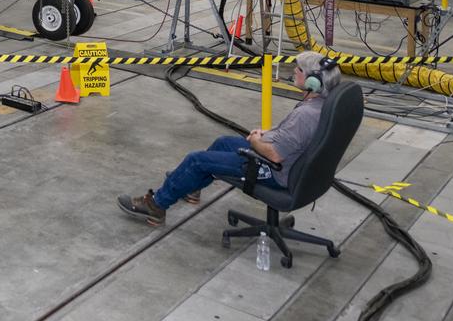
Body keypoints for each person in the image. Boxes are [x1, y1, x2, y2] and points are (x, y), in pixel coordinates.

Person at [117, 50, 341, 227]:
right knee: (223, 142)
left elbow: (274, 154)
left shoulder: (305, 115)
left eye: (299, 69)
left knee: (196, 160)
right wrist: (267, 134)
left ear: (313, 82)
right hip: (292, 164)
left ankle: (156, 205)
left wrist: (255, 141)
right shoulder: (321, 104)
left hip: (273, 170)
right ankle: (189, 186)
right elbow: (292, 138)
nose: (294, 71)